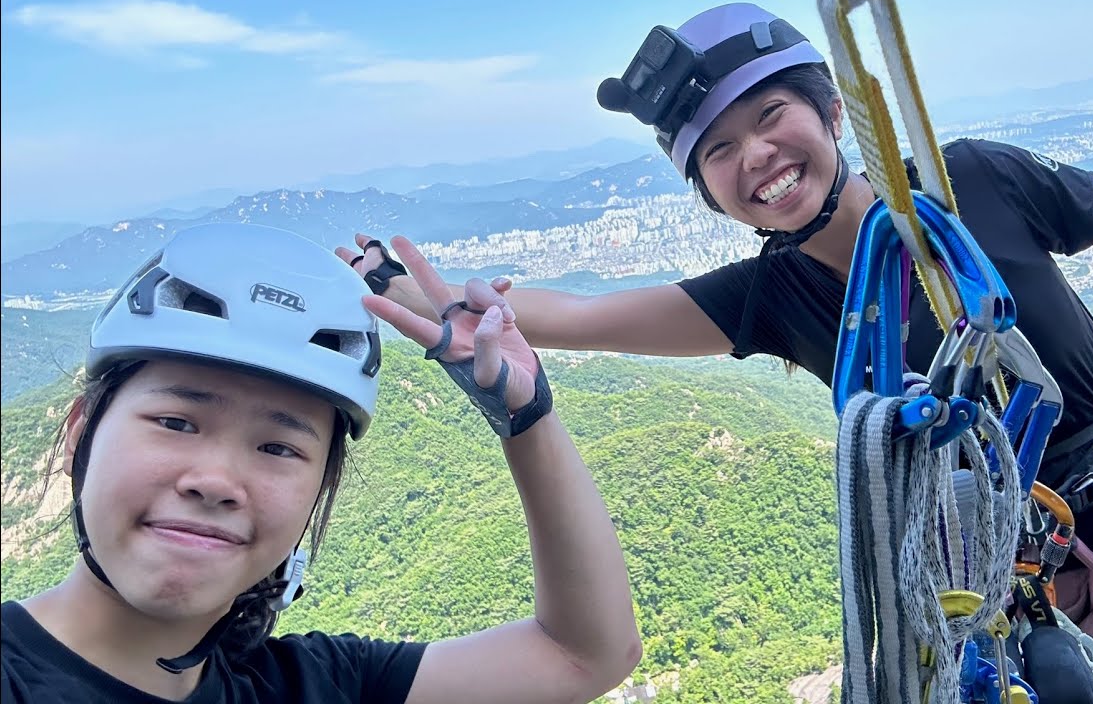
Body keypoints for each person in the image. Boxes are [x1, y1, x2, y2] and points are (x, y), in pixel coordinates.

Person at [338, 2, 1093, 704]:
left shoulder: (975, 187)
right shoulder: (774, 298)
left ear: (832, 112)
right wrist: (404, 291)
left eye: (771, 116)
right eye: (719, 150)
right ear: (710, 189)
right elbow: (581, 314)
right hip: (986, 600)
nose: (755, 155)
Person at [0, 222, 642, 703]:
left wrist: (524, 417)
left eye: (279, 448)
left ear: (318, 490)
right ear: (77, 437)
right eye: (176, 422)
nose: (217, 482)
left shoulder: (314, 687)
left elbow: (584, 654)